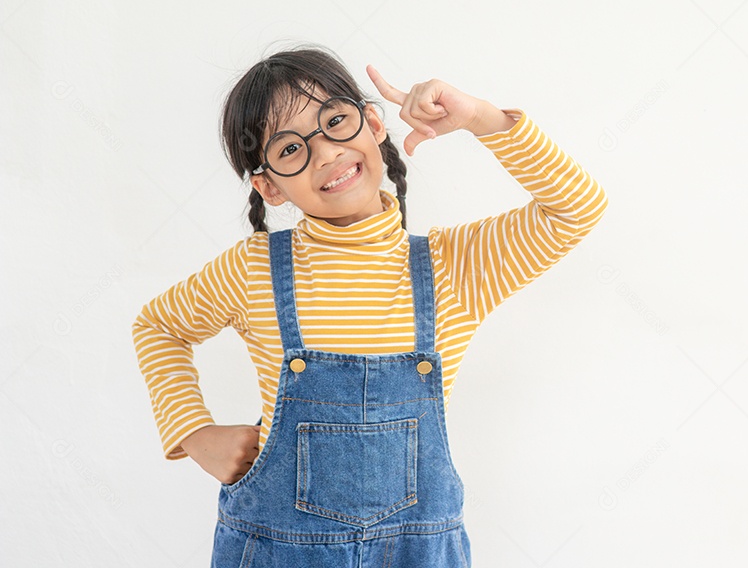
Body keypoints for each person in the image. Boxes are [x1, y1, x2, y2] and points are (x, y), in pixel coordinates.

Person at [131, 45, 608, 566]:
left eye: (335, 121)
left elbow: (577, 208)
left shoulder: (455, 267)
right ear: (269, 186)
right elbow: (159, 325)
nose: (325, 153)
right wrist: (194, 433)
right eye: (290, 149)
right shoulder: (253, 268)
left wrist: (478, 117)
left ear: (374, 124)